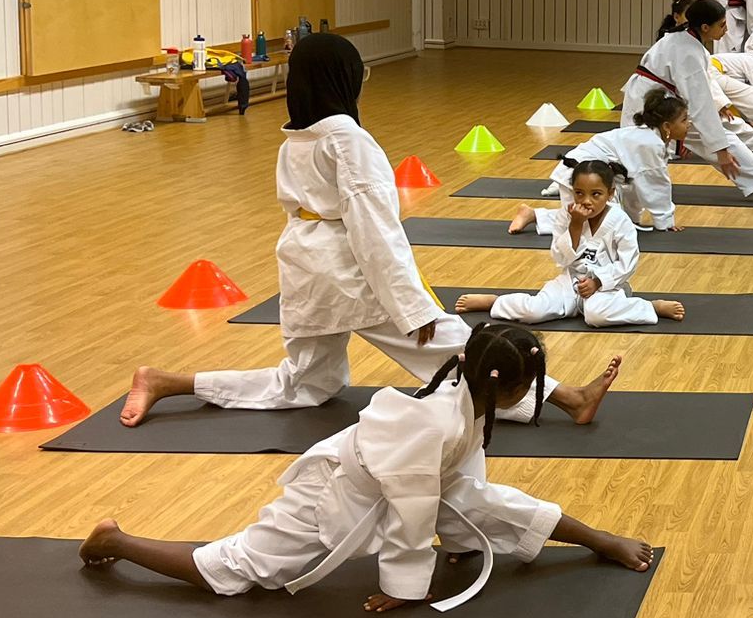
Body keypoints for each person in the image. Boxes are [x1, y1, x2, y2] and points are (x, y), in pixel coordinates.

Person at [117, 33, 618, 428]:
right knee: (450, 345)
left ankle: (166, 381)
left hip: (305, 263)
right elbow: (375, 231)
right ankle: (568, 398)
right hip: (349, 268)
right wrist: (411, 306)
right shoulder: (347, 139)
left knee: (307, 384)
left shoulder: (297, 135)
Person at [82, 322, 658, 612]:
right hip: (336, 494)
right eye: (528, 387)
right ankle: (120, 540)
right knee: (238, 569)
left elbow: (458, 483)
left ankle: (599, 541)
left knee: (487, 500)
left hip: (400, 479)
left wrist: (459, 531)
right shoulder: (440, 421)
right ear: (499, 386)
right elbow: (411, 513)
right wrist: (404, 587)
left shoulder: (467, 400)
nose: (533, 395)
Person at [625, 0, 753, 204]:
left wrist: (720, 103)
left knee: (726, 137)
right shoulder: (688, 50)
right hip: (647, 104)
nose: (726, 29)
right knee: (636, 156)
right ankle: (620, 203)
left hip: (665, 101)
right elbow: (699, 104)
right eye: (722, 25)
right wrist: (720, 151)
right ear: (705, 27)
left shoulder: (689, 41)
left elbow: (705, 82)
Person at [457, 160, 683, 327]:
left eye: (596, 194)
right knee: (535, 312)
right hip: (569, 281)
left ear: (610, 194)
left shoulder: (620, 221)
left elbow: (628, 263)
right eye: (579, 193)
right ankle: (497, 303)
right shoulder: (566, 216)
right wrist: (576, 225)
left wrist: (597, 282)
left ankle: (650, 307)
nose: (586, 201)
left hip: (607, 287)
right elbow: (559, 257)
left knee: (596, 316)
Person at [528, 92, 690, 230]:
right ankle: (535, 215)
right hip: (581, 174)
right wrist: (666, 223)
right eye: (684, 120)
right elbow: (656, 186)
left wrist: (631, 218)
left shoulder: (650, 139)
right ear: (667, 126)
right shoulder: (649, 143)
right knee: (591, 227)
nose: (688, 124)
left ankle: (535, 215)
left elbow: (633, 184)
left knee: (606, 223)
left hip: (588, 173)